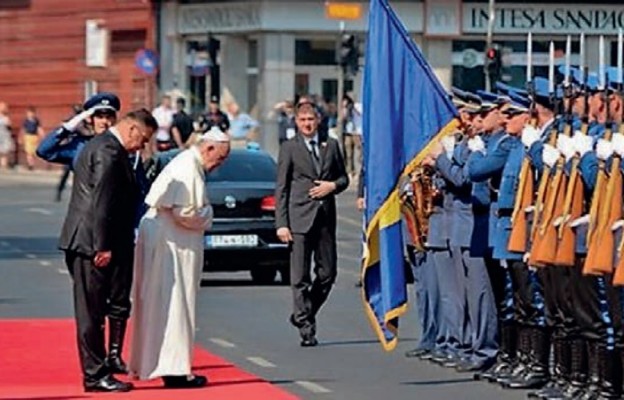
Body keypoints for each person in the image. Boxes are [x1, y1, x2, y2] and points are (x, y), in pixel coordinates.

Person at [58, 109, 157, 392]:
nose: (142, 146)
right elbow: (102, 202)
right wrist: (102, 245)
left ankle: (102, 366)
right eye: (144, 139)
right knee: (90, 312)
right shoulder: (109, 152)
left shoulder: (102, 145)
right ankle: (94, 375)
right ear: (133, 130)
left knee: (101, 306)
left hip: (94, 240)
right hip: (91, 243)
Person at [129, 126, 231, 388]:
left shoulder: (188, 163)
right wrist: (209, 214)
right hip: (169, 243)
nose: (218, 166)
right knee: (174, 305)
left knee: (164, 305)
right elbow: (185, 211)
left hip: (166, 240)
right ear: (208, 148)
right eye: (219, 158)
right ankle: (174, 371)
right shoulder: (188, 166)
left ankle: (162, 364)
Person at [275, 99, 349, 347]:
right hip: (299, 218)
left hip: (325, 218)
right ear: (296, 122)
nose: (307, 124)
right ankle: (307, 329)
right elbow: (282, 188)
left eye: (311, 120)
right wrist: (281, 224)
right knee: (300, 277)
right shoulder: (289, 148)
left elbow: (344, 178)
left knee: (328, 273)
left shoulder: (331, 145)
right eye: (303, 120)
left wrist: (333, 186)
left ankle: (304, 311)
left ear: (318, 121)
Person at [37, 93, 119, 201]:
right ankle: (59, 192)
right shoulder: (79, 145)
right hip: (84, 210)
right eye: (99, 117)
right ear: (90, 119)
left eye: (109, 117)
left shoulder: (122, 146)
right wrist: (68, 127)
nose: (104, 122)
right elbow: (43, 151)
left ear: (114, 120)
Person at [21, 106, 44, 170]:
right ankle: (30, 164)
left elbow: (39, 128)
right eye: (29, 113)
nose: (30, 114)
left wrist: (42, 135)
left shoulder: (36, 121)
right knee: (28, 152)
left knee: (34, 151)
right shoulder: (26, 121)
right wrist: (21, 137)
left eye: (31, 113)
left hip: (34, 136)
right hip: (28, 136)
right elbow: (23, 129)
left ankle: (32, 163)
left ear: (34, 113)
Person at [0, 101, 14, 169]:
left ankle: (3, 166)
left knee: (4, 152)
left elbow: (9, 126)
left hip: (4, 136)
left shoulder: (6, 117)